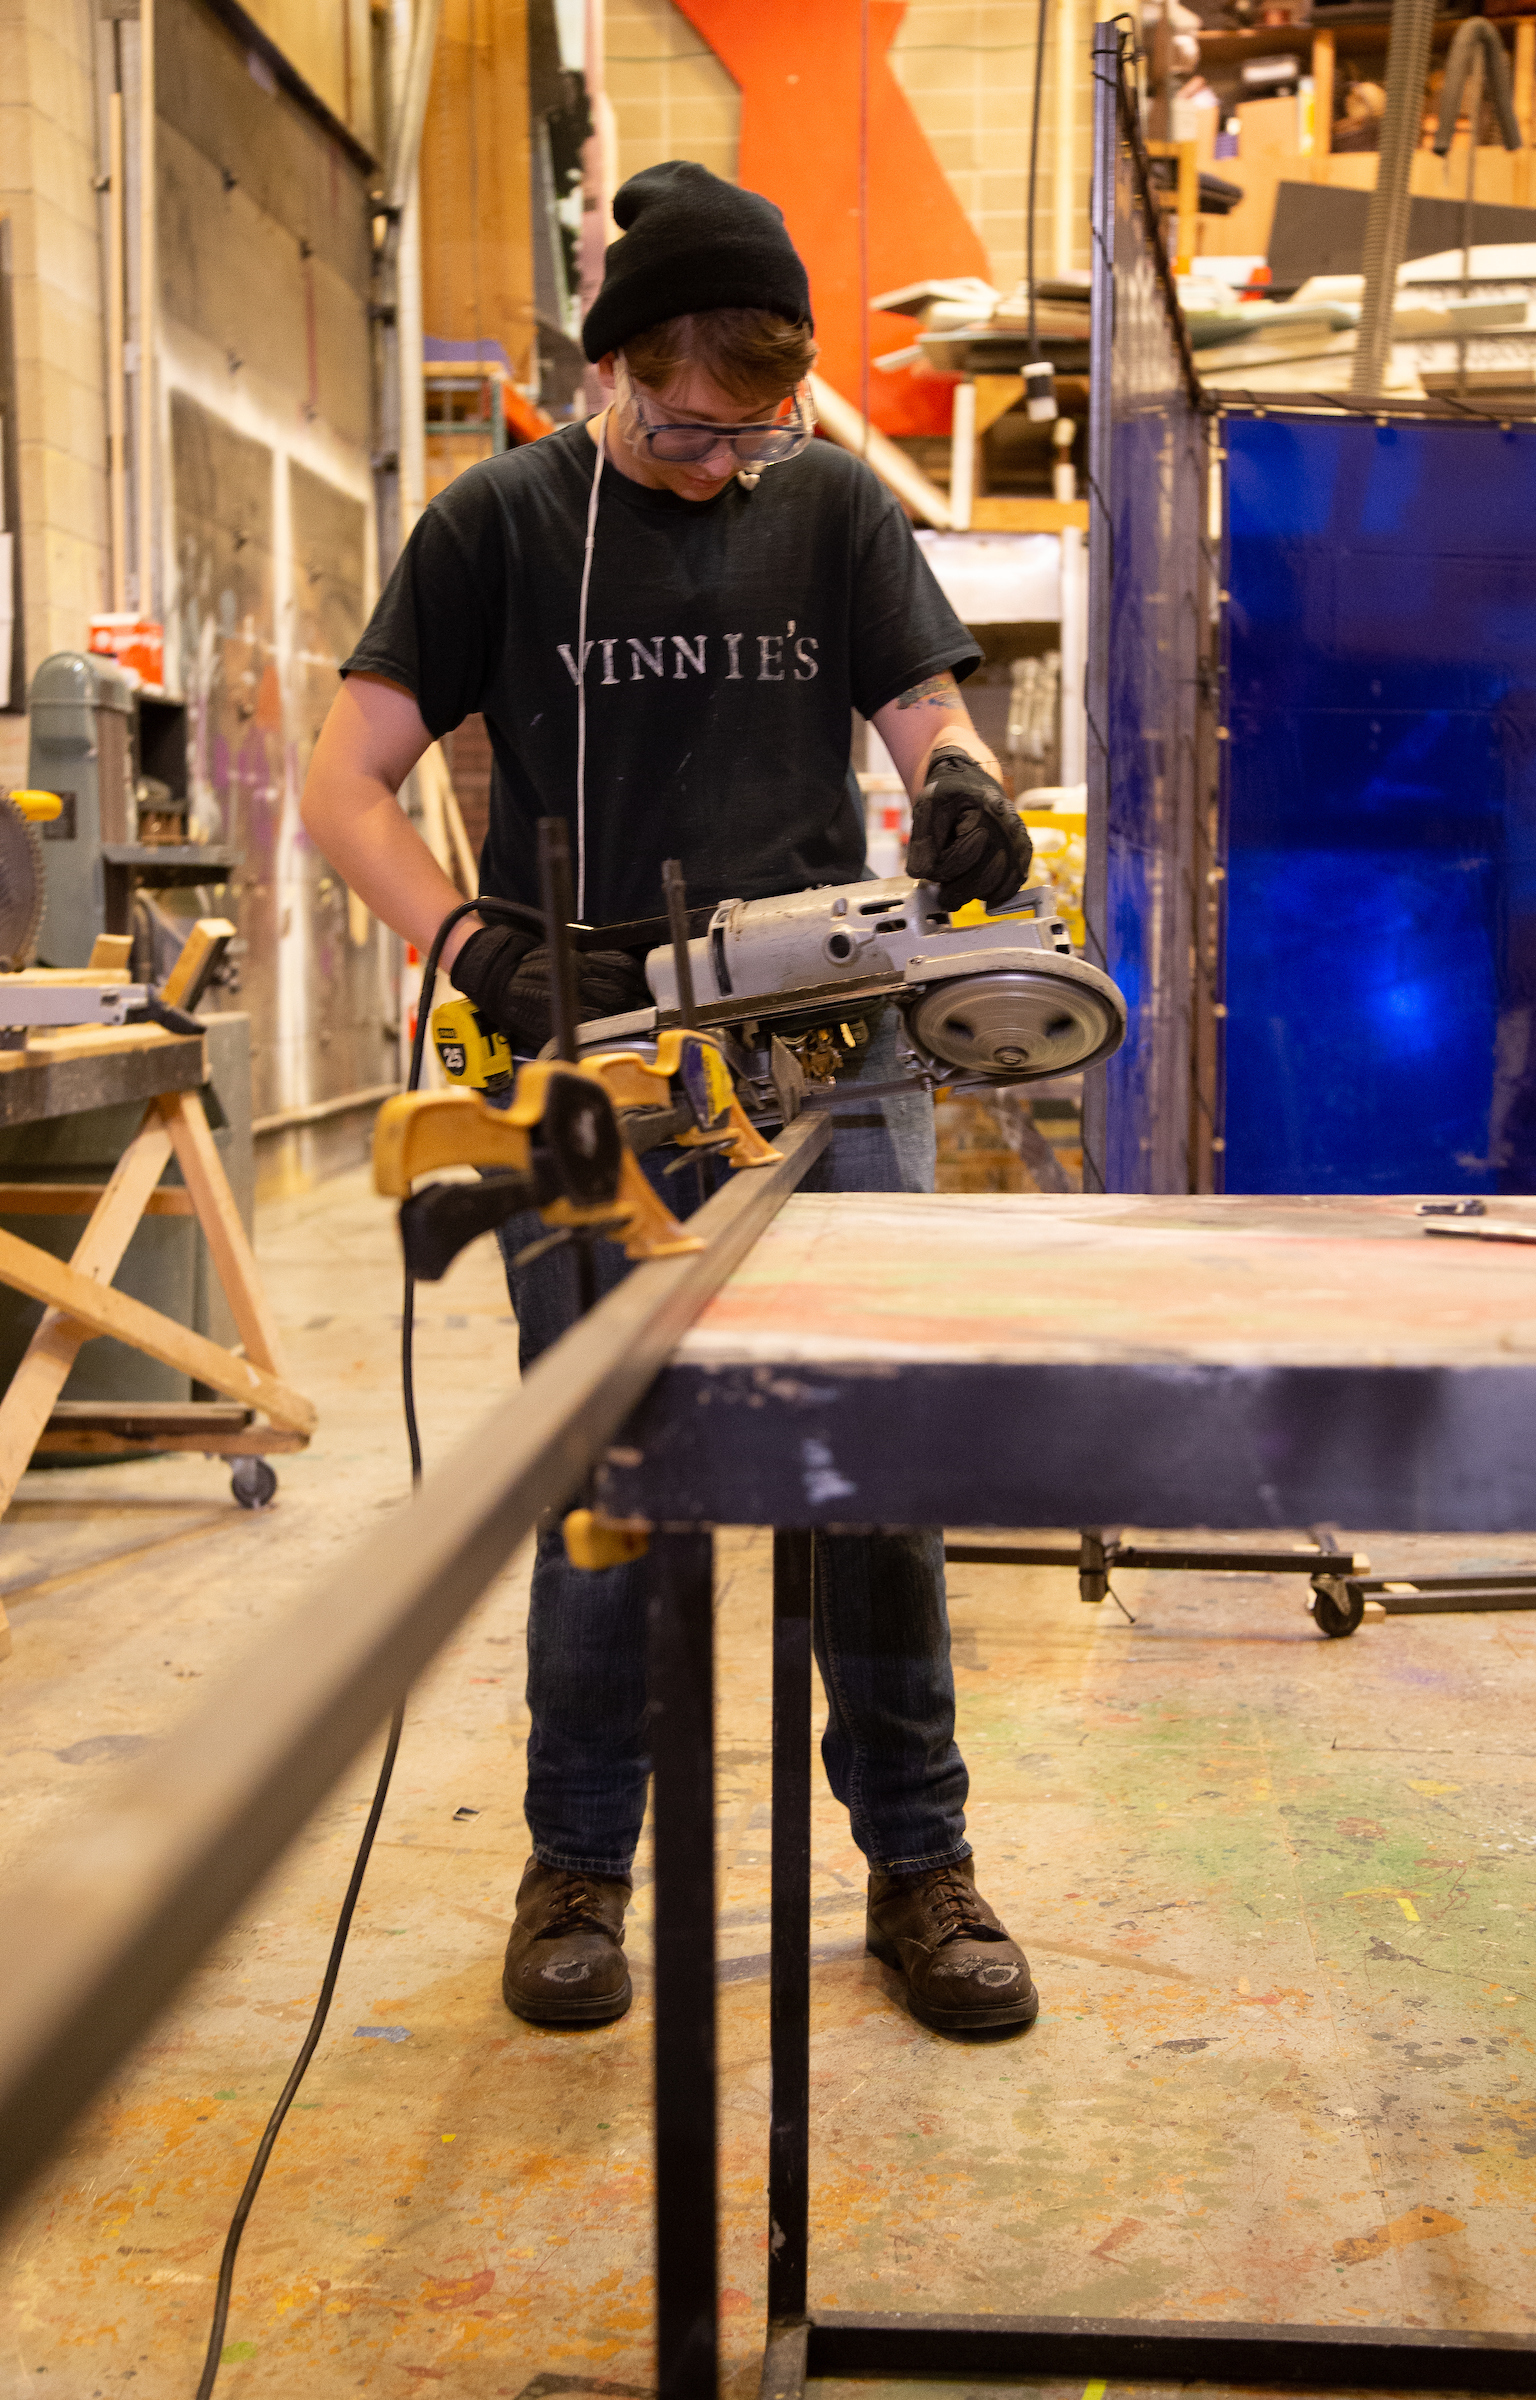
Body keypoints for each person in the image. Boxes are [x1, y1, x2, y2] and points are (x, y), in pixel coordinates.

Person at [301, 160, 1040, 2040]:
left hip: (831, 1044)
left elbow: (927, 716)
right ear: (609, 370)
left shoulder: (835, 510)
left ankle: (922, 1863)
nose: (726, 462)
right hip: (607, 1059)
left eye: (758, 428)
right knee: (605, 1475)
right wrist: (472, 947)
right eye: (692, 427)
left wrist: (962, 782)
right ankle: (578, 1862)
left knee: (875, 1471)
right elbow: (342, 786)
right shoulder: (498, 525)